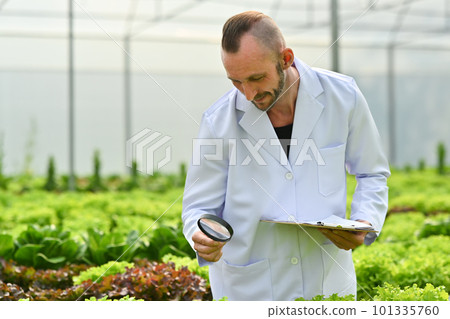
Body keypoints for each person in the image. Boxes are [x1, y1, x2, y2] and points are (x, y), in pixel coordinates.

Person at [182, 11, 390, 301]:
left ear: (286, 58)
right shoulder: (218, 121)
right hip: (249, 290)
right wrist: (200, 236)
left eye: (256, 78)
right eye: (236, 81)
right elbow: (197, 207)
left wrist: (365, 221)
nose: (248, 93)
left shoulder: (344, 96)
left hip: (327, 282)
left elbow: (372, 173)